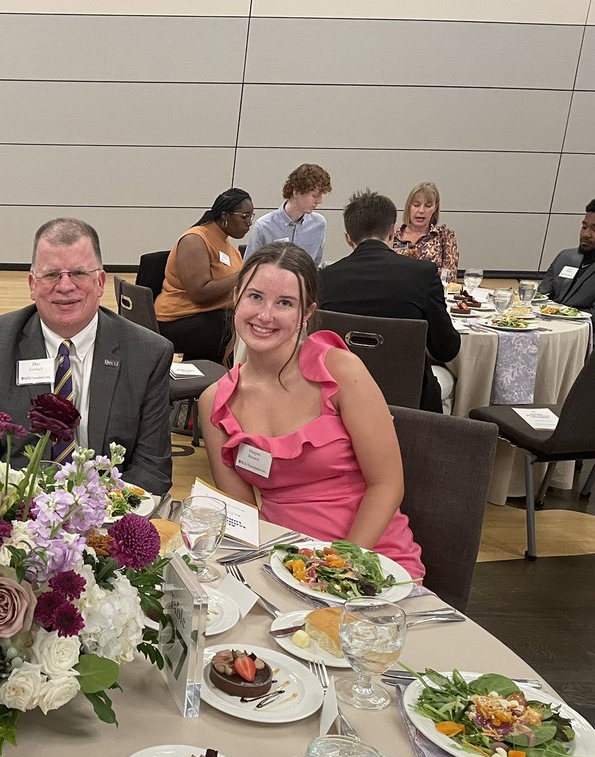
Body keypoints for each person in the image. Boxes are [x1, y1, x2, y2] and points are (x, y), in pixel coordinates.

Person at [199, 242, 424, 579]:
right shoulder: (215, 402)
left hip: (369, 557)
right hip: (285, 562)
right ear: (236, 298)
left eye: (285, 303)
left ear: (306, 313)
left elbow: (387, 484)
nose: (265, 315)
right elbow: (245, 514)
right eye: (255, 296)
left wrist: (339, 568)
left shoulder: (340, 371)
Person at [0, 217, 173, 495]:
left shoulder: (148, 353)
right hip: (19, 509)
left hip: (108, 513)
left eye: (79, 273)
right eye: (51, 275)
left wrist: (101, 515)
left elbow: (152, 469)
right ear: (32, 284)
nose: (65, 286)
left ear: (100, 282)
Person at [319, 190, 460, 414]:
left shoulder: (325, 279)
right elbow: (446, 349)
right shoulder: (422, 274)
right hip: (409, 400)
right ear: (393, 233)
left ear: (348, 238)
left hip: (339, 398)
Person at [155, 189, 253, 361]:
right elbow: (199, 294)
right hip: (180, 317)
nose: (249, 223)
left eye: (250, 217)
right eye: (244, 216)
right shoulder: (195, 240)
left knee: (252, 323)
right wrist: (243, 275)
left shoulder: (229, 247)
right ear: (225, 216)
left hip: (211, 315)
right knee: (244, 331)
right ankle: (229, 381)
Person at [244, 164, 332, 265]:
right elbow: (249, 267)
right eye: (315, 195)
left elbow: (315, 265)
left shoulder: (319, 224)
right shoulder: (264, 226)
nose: (320, 201)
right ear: (296, 192)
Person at [538, 199, 595, 310]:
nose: (585, 234)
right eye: (584, 227)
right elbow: (541, 296)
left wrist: (560, 313)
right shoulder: (565, 257)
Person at [392, 181, 458, 277]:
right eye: (416, 205)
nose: (421, 210)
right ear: (408, 207)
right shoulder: (393, 236)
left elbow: (450, 276)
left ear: (435, 208)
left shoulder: (445, 236)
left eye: (428, 206)